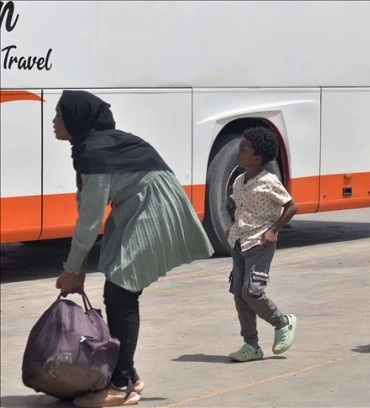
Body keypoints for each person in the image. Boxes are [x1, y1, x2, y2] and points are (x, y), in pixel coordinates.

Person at [53, 90, 214, 407]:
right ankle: (130, 376)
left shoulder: (97, 152)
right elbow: (87, 207)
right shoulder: (92, 149)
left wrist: (71, 269)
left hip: (153, 206)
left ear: (76, 118)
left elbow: (89, 222)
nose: (54, 121)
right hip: (137, 207)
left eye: (59, 114)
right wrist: (77, 268)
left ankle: (121, 386)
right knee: (118, 290)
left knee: (121, 291)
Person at [226, 127, 298, 362]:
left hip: (260, 243)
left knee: (252, 292)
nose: (238, 152)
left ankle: (283, 322)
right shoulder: (238, 181)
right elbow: (240, 209)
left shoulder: (269, 182)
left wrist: (273, 230)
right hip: (239, 242)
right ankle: (251, 345)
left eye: (243, 149)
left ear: (256, 159)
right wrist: (232, 228)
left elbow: (291, 207)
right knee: (239, 294)